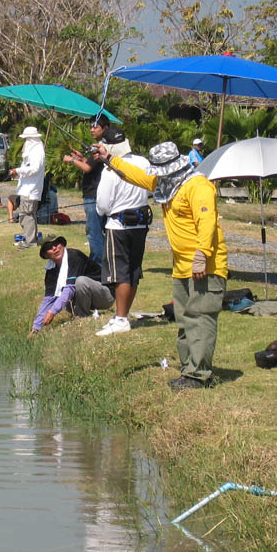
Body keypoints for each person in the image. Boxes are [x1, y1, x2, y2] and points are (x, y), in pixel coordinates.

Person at [95, 140, 227, 391]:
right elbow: (135, 175)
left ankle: (198, 375)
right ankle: (188, 370)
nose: (159, 177)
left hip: (205, 265)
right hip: (182, 266)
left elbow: (207, 221)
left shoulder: (198, 186)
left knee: (200, 318)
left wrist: (202, 254)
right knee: (185, 318)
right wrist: (109, 157)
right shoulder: (168, 185)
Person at [94, 128, 152, 337]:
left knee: (120, 274)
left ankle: (120, 318)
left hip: (118, 226)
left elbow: (103, 205)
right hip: (141, 223)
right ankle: (122, 315)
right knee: (134, 270)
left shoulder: (109, 170)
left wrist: (104, 212)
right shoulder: (144, 162)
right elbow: (151, 188)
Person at [28, 236, 113, 337]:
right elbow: (49, 298)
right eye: (50, 247)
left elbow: (70, 289)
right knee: (65, 300)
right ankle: (81, 313)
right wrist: (36, 327)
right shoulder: (51, 269)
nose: (55, 248)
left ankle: (82, 315)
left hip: (105, 295)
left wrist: (52, 312)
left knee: (80, 282)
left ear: (62, 245)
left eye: (56, 244)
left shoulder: (74, 256)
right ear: (46, 255)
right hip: (87, 297)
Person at [63, 116, 109, 265]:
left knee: (94, 232)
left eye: (95, 127)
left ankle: (98, 266)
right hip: (96, 193)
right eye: (90, 126)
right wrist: (82, 158)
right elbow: (91, 164)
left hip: (94, 194)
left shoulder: (101, 147)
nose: (91, 129)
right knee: (98, 231)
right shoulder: (100, 146)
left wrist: (71, 160)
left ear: (105, 128)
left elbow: (88, 168)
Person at [8, 126, 45, 249]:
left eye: (26, 139)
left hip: (31, 189)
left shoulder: (37, 151)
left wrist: (17, 170)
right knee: (26, 215)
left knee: (27, 215)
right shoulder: (33, 150)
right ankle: (30, 237)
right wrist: (18, 173)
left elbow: (34, 169)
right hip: (26, 188)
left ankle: (30, 242)